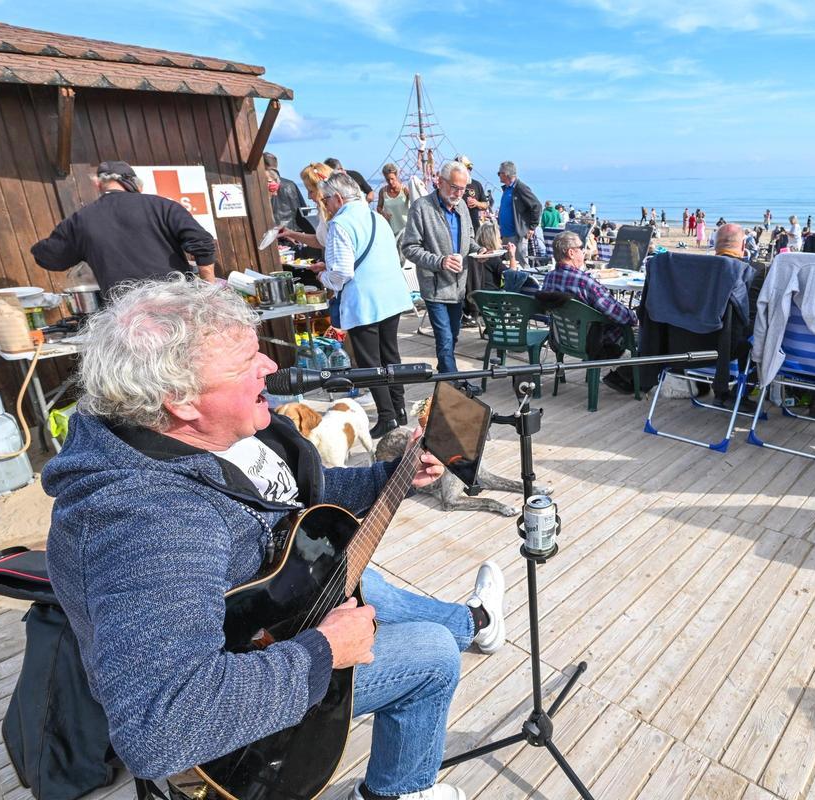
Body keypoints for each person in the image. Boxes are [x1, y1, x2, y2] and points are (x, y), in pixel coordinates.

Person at [43, 276, 506, 800]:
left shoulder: (205, 437)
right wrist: (324, 652)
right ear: (181, 400)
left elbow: (290, 500)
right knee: (434, 653)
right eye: (245, 364)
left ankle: (476, 619)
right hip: (242, 725)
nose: (269, 367)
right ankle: (397, 790)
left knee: (363, 579)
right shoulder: (154, 524)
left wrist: (388, 476)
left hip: (281, 604)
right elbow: (160, 728)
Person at [308, 173, 414, 437]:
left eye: (326, 199)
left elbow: (342, 273)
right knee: (391, 356)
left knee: (370, 363)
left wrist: (323, 275)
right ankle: (399, 410)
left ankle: (387, 417)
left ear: (339, 198)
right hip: (391, 295)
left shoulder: (340, 224)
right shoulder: (377, 218)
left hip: (364, 301)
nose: (326, 205)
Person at [32, 160, 216, 297]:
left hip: (127, 318)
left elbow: (50, 257)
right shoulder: (162, 206)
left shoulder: (81, 220)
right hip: (178, 301)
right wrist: (208, 289)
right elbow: (202, 241)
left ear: (98, 184)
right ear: (136, 184)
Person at [401, 161, 482, 392]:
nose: (459, 194)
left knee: (453, 337)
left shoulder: (463, 207)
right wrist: (440, 261)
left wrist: (480, 251)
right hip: (435, 286)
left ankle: (446, 379)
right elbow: (409, 248)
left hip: (458, 286)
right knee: (445, 339)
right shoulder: (421, 207)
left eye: (463, 189)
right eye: (455, 188)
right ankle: (454, 388)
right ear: (440, 182)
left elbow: (469, 241)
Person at [540, 231, 637, 391]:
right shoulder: (585, 282)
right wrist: (634, 316)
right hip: (596, 343)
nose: (584, 251)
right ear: (571, 253)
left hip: (561, 340)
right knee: (635, 325)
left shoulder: (549, 278)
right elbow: (614, 311)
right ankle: (626, 377)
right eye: (581, 248)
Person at [496, 161, 541, 266]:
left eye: (499, 173)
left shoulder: (520, 188)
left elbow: (536, 205)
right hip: (505, 234)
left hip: (516, 235)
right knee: (509, 264)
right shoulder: (507, 189)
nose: (498, 175)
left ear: (506, 174)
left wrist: (532, 227)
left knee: (520, 264)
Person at [264, 152, 307, 232]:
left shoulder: (262, 186)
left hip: (276, 233)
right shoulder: (291, 184)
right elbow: (304, 209)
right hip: (296, 233)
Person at [376, 163, 412, 238]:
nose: (390, 182)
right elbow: (379, 207)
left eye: (392, 179)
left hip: (406, 230)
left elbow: (415, 204)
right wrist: (383, 213)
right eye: (387, 179)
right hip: (390, 231)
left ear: (396, 176)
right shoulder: (382, 191)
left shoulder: (405, 190)